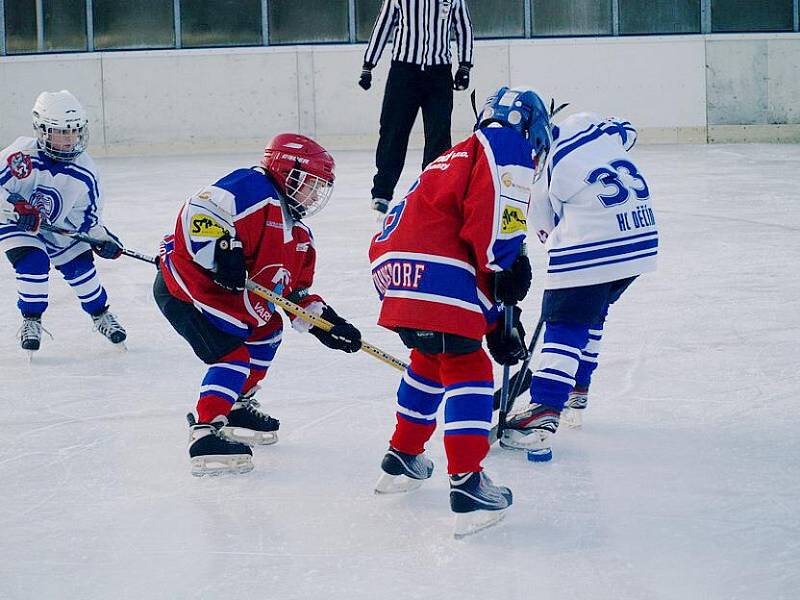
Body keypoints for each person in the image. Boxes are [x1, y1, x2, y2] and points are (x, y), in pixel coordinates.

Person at [368, 86, 553, 537]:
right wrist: (508, 263)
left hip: (396, 274)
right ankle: (467, 482)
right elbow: (490, 228)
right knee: (469, 369)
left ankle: (402, 457)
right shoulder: (507, 143)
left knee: (431, 359)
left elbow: (449, 234)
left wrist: (491, 322)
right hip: (438, 274)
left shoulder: (453, 155)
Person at [154, 133, 363, 477]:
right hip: (187, 290)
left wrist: (329, 324)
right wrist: (222, 254)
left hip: (225, 299)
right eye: (311, 183)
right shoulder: (252, 186)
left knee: (268, 329)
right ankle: (205, 432)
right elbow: (199, 212)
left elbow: (291, 291)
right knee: (232, 357)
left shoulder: (299, 236)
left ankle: (236, 404)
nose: (314, 195)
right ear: (287, 171)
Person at [501, 112, 658, 460]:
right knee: (592, 311)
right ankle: (578, 386)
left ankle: (544, 409)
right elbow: (626, 129)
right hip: (642, 237)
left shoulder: (536, 177)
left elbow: (545, 232)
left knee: (564, 322)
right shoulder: (585, 123)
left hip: (597, 240)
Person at [0, 90, 126, 354]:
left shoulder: (85, 171)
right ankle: (31, 320)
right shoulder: (20, 156)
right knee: (33, 262)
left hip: (55, 224)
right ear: (43, 131)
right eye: (63, 132)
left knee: (81, 268)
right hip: (15, 222)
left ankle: (100, 314)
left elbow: (87, 219)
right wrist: (15, 205)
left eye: (75, 132)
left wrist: (101, 238)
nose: (71, 139)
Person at [359, 0, 474, 217]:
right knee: (393, 131)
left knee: (438, 135)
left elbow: (463, 27)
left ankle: (433, 188)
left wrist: (464, 66)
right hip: (404, 72)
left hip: (439, 73)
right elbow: (383, 25)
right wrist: (368, 65)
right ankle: (382, 192)